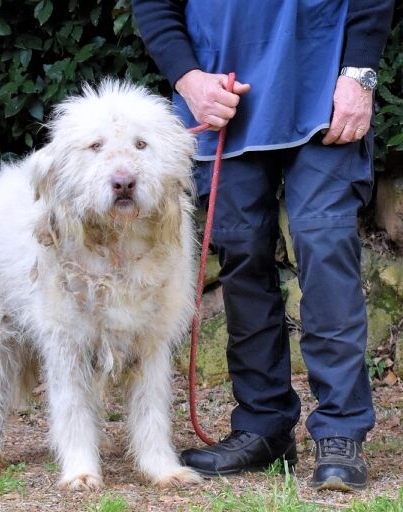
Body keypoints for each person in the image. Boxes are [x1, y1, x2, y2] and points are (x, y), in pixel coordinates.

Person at [131, 0, 395, 491]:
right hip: (222, 99)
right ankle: (263, 427)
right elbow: (153, 5)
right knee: (242, 256)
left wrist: (359, 75)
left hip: (322, 89)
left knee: (324, 249)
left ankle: (340, 431)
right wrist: (189, 80)